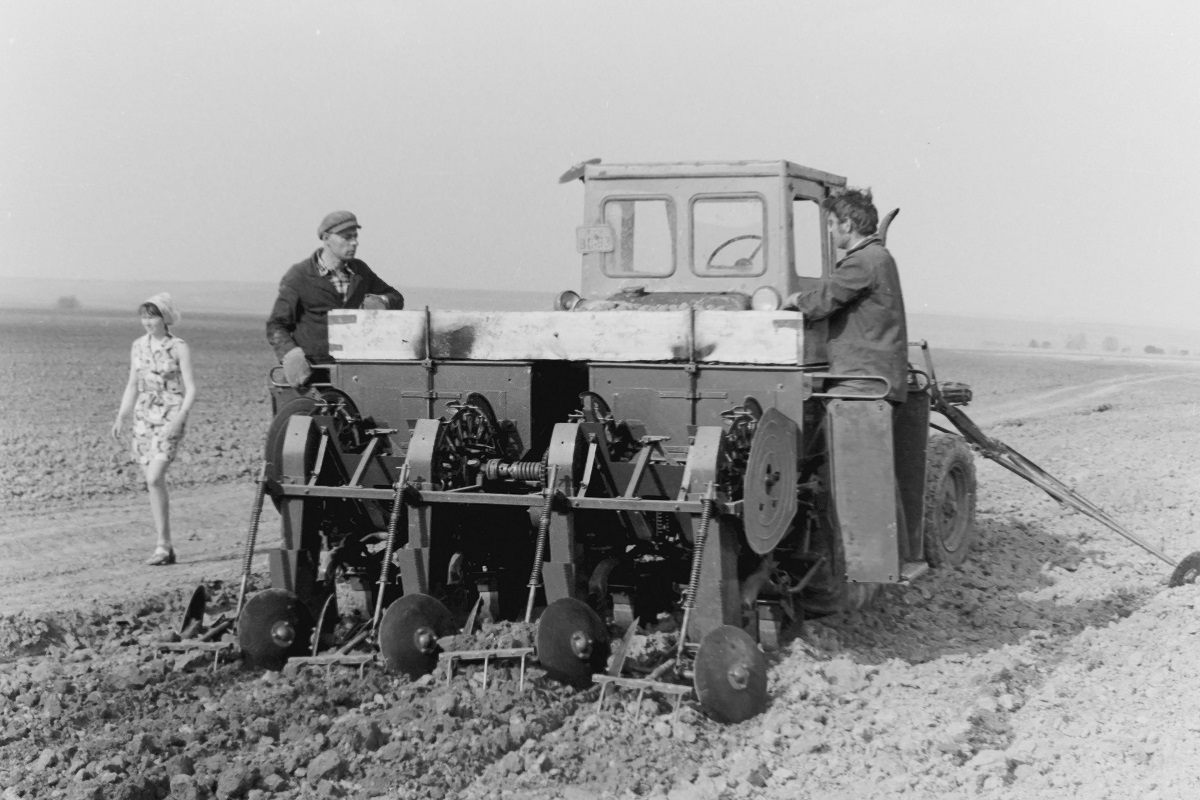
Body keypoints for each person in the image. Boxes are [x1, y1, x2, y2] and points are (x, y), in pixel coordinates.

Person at [785, 188, 908, 403]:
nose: (830, 231)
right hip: (873, 377)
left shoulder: (861, 261)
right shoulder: (878, 257)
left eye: (832, 223)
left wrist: (794, 299)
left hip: (863, 382)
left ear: (848, 225)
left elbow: (820, 303)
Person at [266, 211, 404, 387]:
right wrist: (291, 354)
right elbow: (276, 325)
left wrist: (382, 302)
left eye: (355, 236)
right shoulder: (299, 276)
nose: (354, 242)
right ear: (326, 238)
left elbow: (396, 297)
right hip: (313, 374)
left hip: (353, 372)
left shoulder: (360, 272)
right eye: (346, 237)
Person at [111, 293, 196, 566]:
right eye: (144, 316)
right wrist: (122, 416)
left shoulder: (178, 347)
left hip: (171, 414)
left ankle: (163, 545)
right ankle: (165, 546)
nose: (147, 322)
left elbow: (191, 388)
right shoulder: (137, 346)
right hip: (143, 417)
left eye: (153, 316)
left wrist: (180, 417)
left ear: (165, 318)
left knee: (154, 478)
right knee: (153, 482)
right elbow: (132, 384)